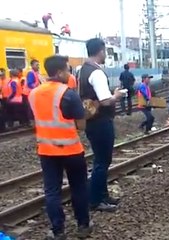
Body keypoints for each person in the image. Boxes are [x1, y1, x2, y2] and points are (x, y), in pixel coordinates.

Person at [28, 55, 91, 239]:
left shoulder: (34, 94)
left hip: (46, 151)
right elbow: (81, 125)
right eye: (67, 70)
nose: (69, 73)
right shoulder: (69, 94)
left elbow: (37, 119)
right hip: (71, 150)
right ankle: (83, 225)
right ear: (59, 72)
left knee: (52, 191)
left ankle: (58, 230)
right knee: (78, 187)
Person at [78, 38, 125, 212]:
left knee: (101, 160)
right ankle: (96, 200)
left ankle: (102, 195)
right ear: (101, 51)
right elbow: (105, 101)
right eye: (105, 51)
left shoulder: (82, 69)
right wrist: (117, 95)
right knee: (102, 161)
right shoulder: (97, 72)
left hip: (91, 121)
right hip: (100, 121)